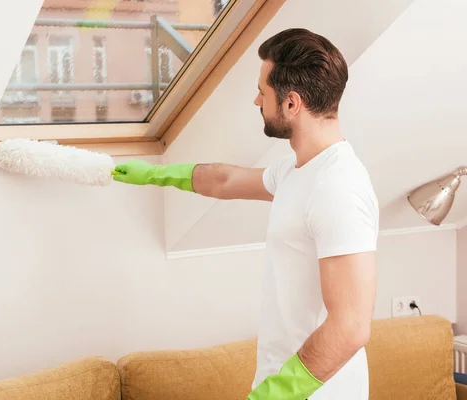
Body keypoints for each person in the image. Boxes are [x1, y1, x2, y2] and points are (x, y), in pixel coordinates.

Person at [112, 28, 378, 400]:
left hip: (316, 393)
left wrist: (277, 394)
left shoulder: (338, 189)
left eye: (263, 92)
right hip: (280, 383)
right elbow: (226, 180)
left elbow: (350, 326)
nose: (256, 100)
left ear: (292, 104)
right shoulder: (298, 170)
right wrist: (156, 174)